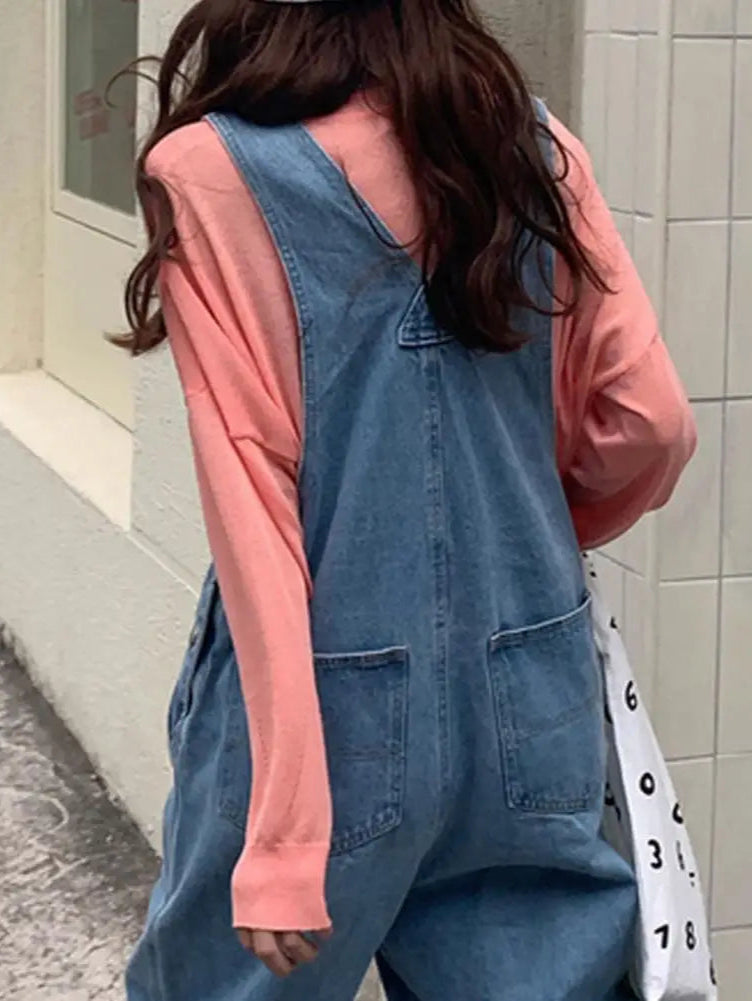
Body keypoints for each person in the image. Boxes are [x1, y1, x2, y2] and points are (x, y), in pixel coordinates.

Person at [122, 1, 696, 998]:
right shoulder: (529, 146)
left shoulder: (208, 172)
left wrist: (284, 833)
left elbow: (255, 506)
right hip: (529, 685)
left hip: (316, 704)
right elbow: (652, 422)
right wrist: (532, 537)